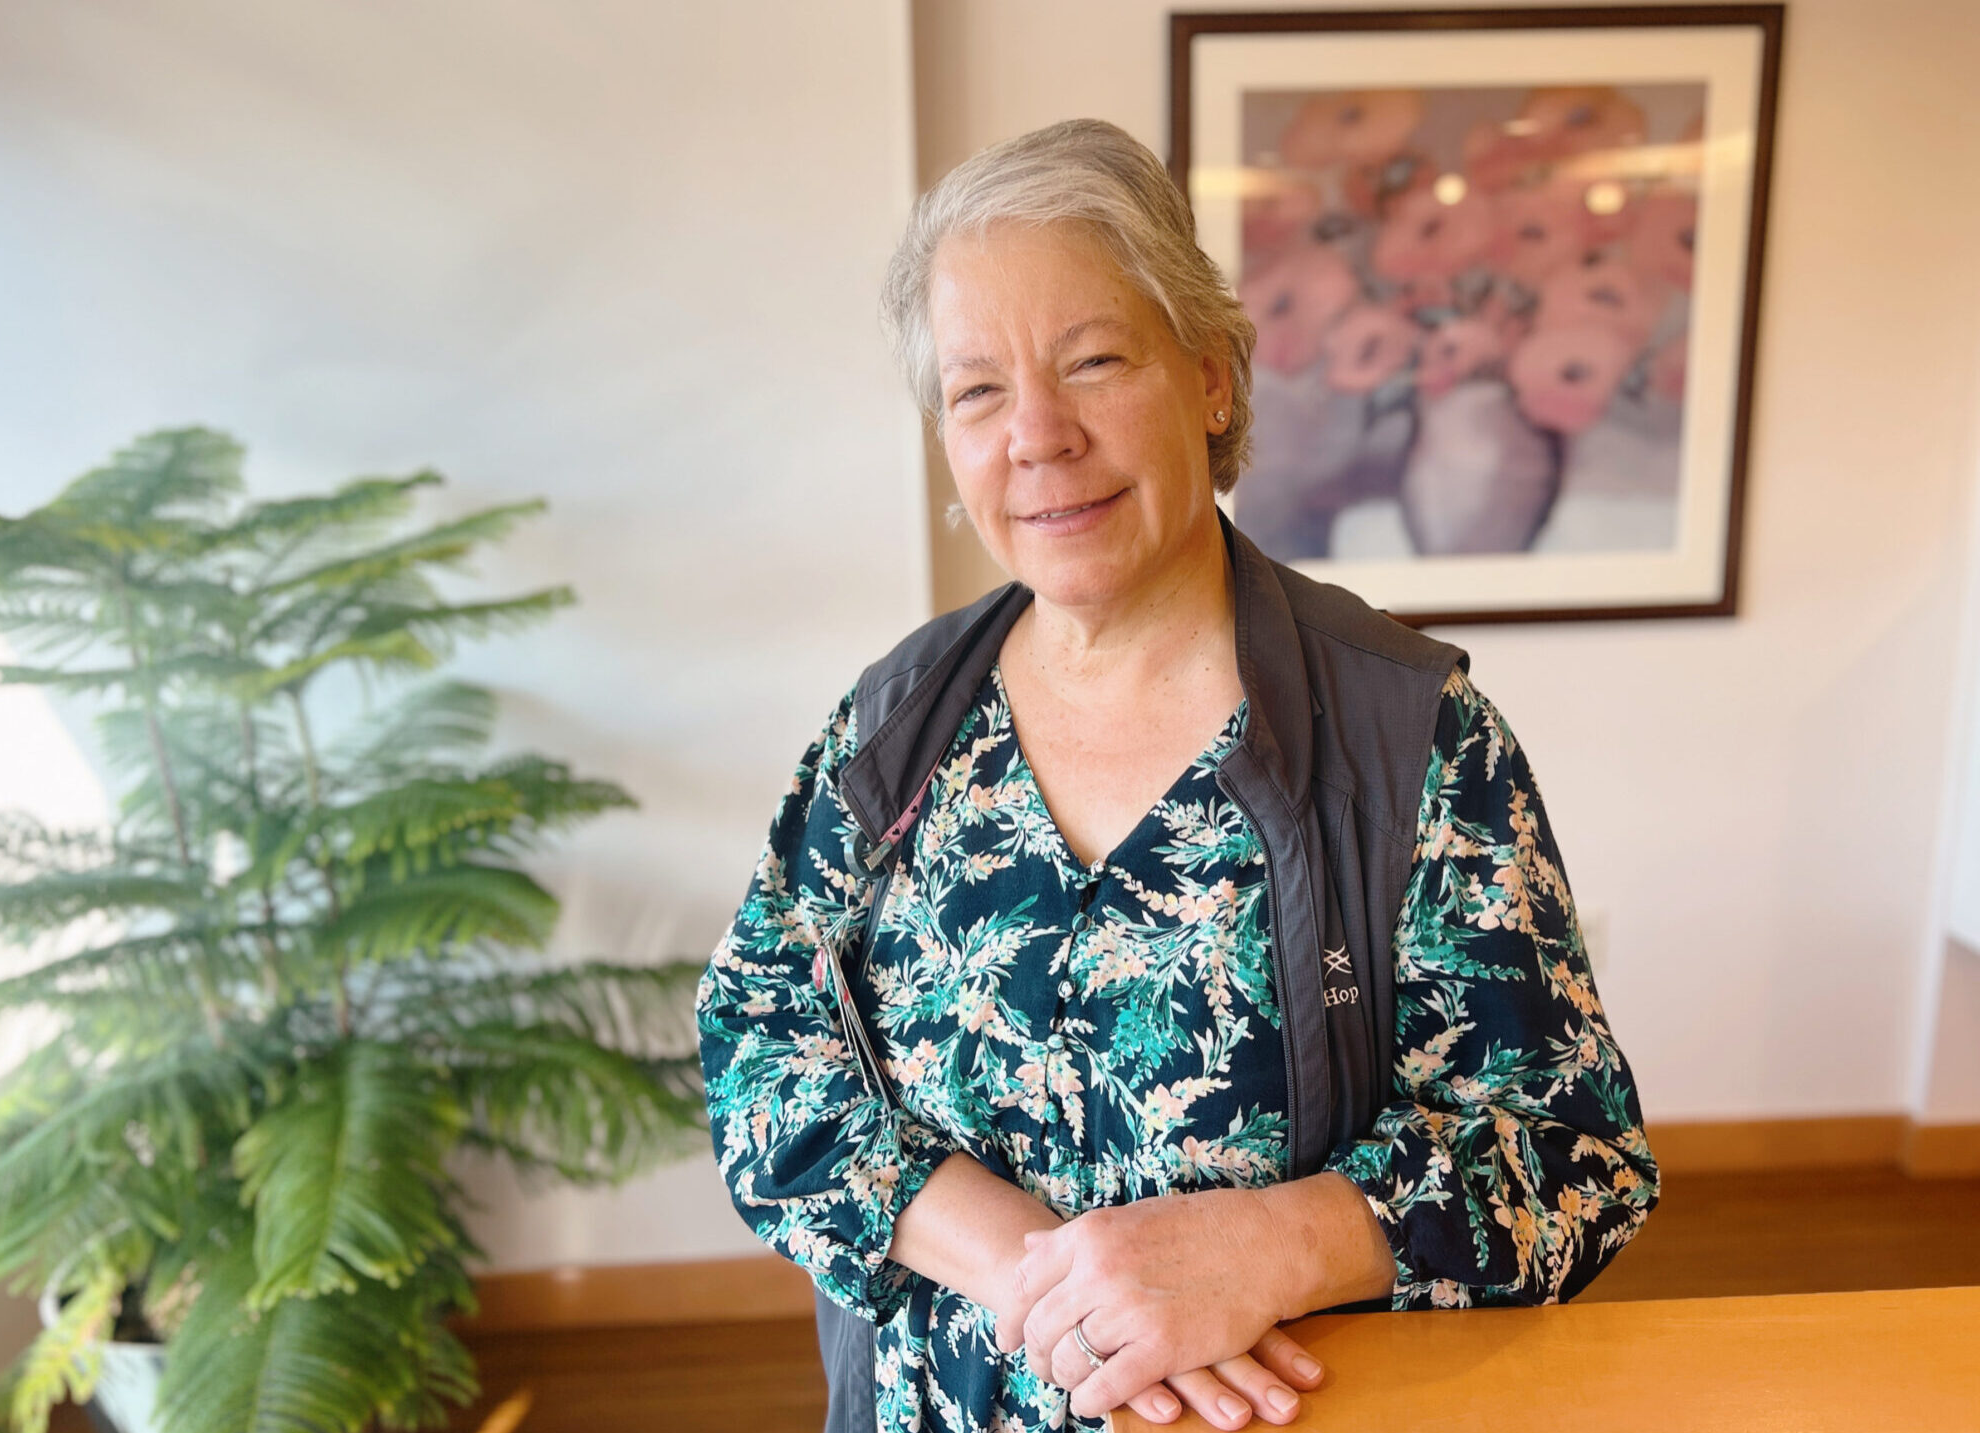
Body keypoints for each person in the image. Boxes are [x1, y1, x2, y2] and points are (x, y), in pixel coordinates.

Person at [697, 118, 1657, 1433]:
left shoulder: (1408, 740)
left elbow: (1574, 1153)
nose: (1037, 434)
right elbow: (758, 1042)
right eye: (977, 390)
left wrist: (1288, 1239)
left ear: (1211, 377)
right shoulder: (891, 730)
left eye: (1093, 361)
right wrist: (1046, 1277)